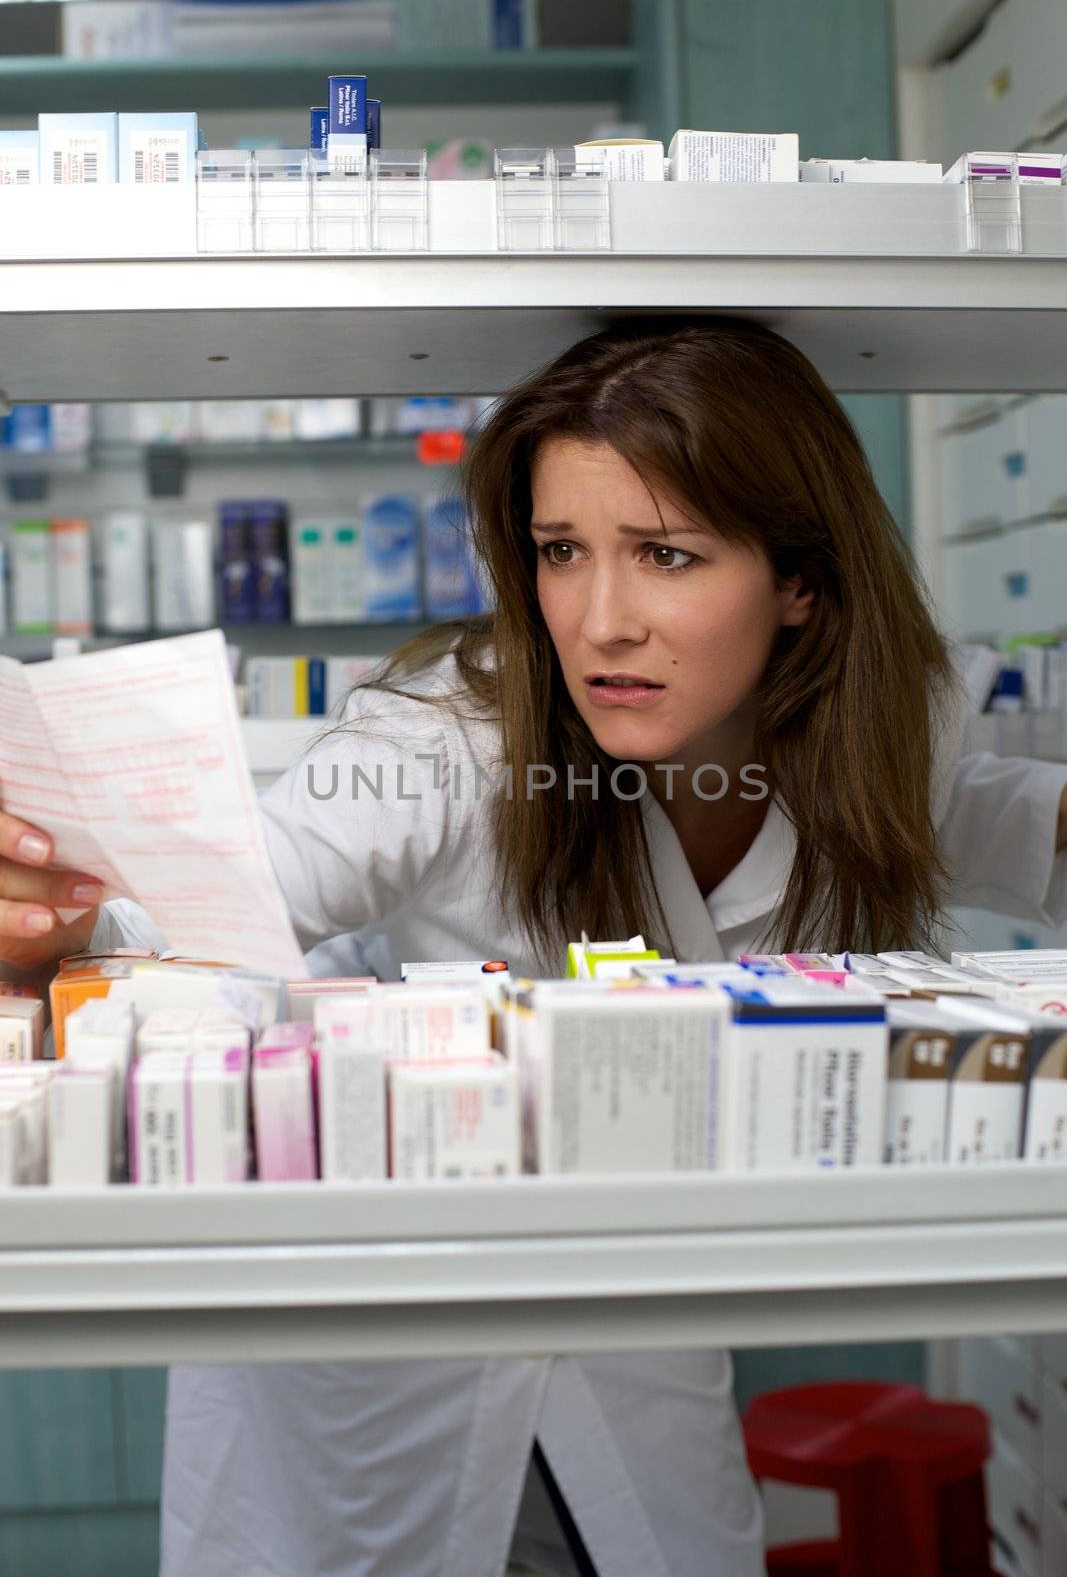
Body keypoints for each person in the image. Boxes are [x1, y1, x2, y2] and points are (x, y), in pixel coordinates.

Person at [2, 318, 1066, 1577]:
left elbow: (1001, 816)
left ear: (799, 581)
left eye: (664, 554)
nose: (600, 621)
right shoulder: (445, 743)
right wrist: (58, 916)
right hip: (377, 1356)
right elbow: (228, 903)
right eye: (562, 552)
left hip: (631, 1349)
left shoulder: (882, 734)